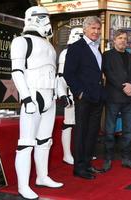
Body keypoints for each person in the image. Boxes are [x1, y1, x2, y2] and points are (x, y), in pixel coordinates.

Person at [11, 6, 64, 199]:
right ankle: (23, 185)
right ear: (30, 18)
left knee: (44, 141)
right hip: (33, 95)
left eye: (47, 17)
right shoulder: (21, 41)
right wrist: (26, 98)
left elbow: (54, 74)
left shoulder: (49, 45)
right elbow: (17, 71)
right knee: (26, 142)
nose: (46, 21)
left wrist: (59, 93)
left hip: (49, 96)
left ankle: (42, 176)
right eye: (41, 17)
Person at [63, 16, 105, 180]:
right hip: (84, 98)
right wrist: (79, 92)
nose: (96, 31)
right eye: (93, 28)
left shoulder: (97, 47)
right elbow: (68, 73)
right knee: (81, 132)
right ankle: (79, 168)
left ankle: (87, 164)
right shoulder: (76, 47)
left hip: (98, 97)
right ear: (85, 29)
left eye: (98, 29)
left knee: (93, 133)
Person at [102, 29, 131, 171]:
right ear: (114, 40)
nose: (122, 40)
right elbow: (108, 73)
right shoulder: (107, 55)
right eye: (119, 38)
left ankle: (126, 159)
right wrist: (123, 86)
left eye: (124, 38)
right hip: (113, 97)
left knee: (128, 131)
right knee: (110, 131)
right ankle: (107, 159)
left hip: (129, 99)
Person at [57, 27, 83, 165]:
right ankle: (67, 154)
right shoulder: (65, 53)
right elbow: (61, 76)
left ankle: (82, 152)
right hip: (71, 93)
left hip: (84, 93)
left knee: (82, 124)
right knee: (68, 123)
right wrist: (63, 94)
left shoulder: (86, 52)